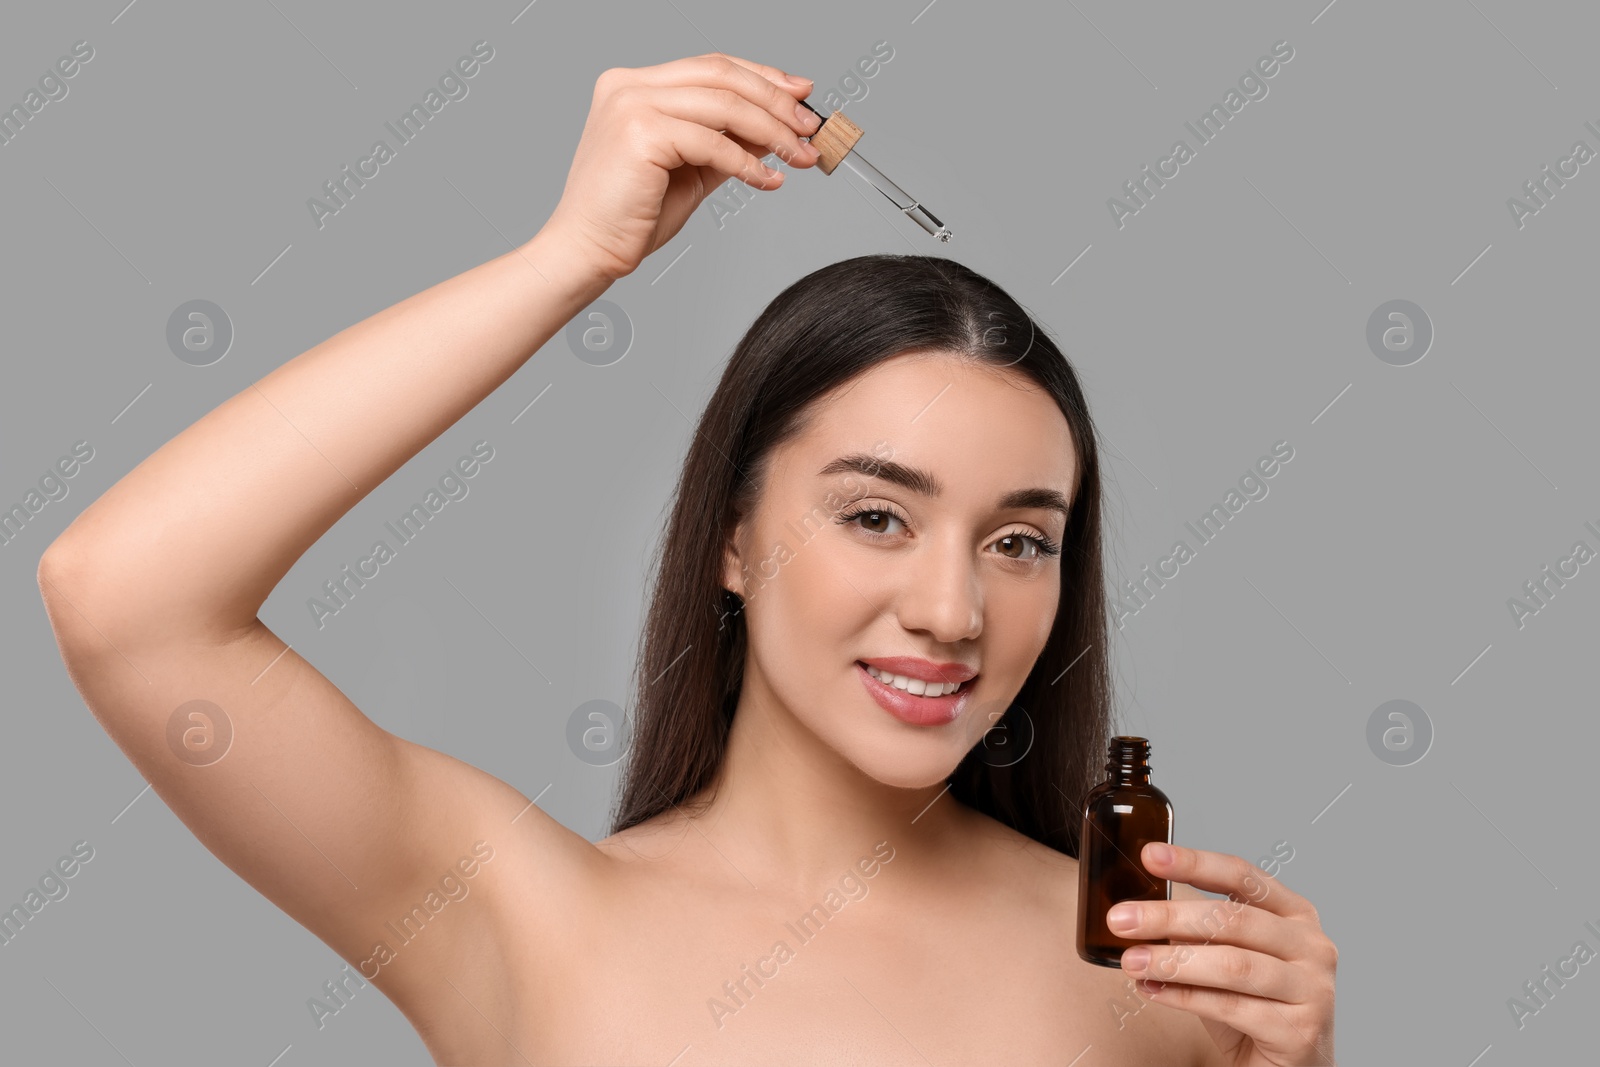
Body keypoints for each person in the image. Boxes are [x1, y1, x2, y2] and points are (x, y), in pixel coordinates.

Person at [36, 53, 1335, 1066]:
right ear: (728, 534)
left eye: (1017, 540)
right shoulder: (513, 914)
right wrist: (569, 261)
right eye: (876, 515)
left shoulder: (1152, 972)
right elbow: (127, 599)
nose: (952, 610)